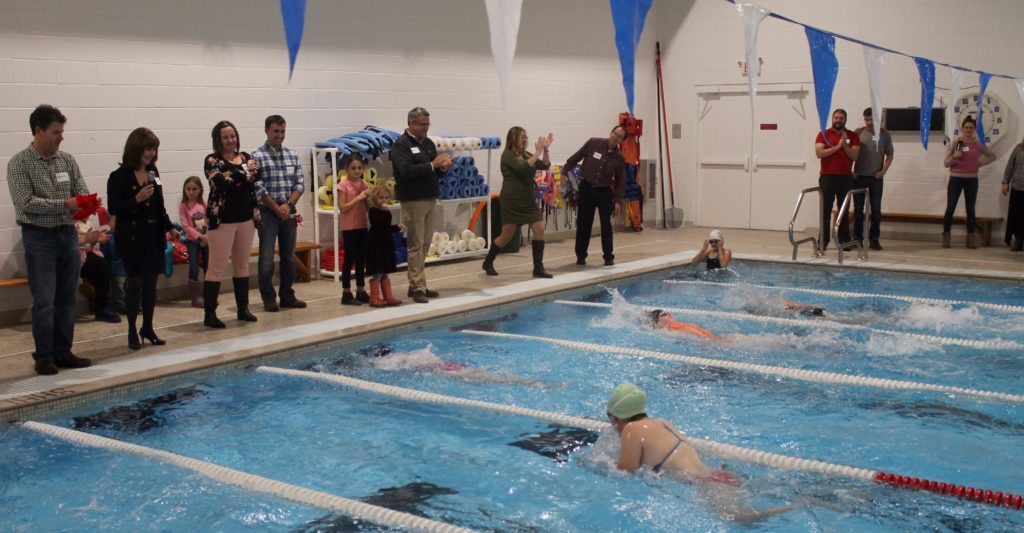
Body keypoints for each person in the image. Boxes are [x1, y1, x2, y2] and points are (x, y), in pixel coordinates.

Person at [606, 384, 797, 524]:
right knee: (775, 490)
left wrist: (599, 464)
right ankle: (805, 497)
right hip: (719, 475)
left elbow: (625, 472)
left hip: (709, 485)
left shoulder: (631, 430)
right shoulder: (663, 422)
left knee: (743, 520)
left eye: (610, 417)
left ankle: (799, 506)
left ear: (616, 418)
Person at [7, 104, 94, 375]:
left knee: (67, 298)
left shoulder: (66, 161)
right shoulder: (19, 163)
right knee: (45, 300)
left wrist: (85, 204)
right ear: (38, 131)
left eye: (62, 132)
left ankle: (63, 351)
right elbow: (26, 204)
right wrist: (67, 204)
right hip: (39, 238)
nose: (61, 137)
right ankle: (44, 356)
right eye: (56, 132)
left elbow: (81, 190)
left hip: (67, 236)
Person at [107, 127, 178, 349]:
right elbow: (114, 208)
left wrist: (169, 227)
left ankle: (147, 327)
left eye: (154, 150)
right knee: (134, 283)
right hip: (132, 237)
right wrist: (136, 198)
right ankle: (131, 329)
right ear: (136, 148)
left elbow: (160, 206)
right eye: (148, 149)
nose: (150, 154)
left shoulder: (153, 173)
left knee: (150, 284)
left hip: (153, 236)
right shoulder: (118, 177)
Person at [390, 107, 453, 303]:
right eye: (423, 124)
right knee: (415, 243)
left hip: (429, 197)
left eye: (428, 124)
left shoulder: (428, 144)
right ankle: (417, 286)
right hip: (413, 199)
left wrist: (442, 168)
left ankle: (418, 284)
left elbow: (432, 171)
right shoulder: (401, 145)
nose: (426, 128)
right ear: (411, 124)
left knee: (425, 243)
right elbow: (406, 171)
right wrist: (433, 164)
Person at [203, 120, 260, 328]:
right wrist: (245, 173)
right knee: (216, 267)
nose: (230, 140)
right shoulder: (211, 160)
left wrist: (235, 174)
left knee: (242, 266)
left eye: (233, 136)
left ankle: (243, 309)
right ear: (218, 140)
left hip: (246, 219)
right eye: (226, 137)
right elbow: (218, 182)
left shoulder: (245, 157)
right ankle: (210, 315)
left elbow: (257, 174)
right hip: (222, 222)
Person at [481, 127, 555, 278]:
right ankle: (488, 262)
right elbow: (522, 167)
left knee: (539, 228)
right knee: (506, 236)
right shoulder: (507, 155)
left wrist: (545, 150)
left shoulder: (526, 154)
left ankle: (538, 268)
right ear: (512, 139)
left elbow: (545, 166)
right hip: (512, 201)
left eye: (526, 137)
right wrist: (537, 152)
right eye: (521, 137)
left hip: (528, 201)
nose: (525, 140)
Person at [251, 115, 307, 312]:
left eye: (282, 131)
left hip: (288, 211)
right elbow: (258, 187)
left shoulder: (292, 155)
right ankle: (268, 298)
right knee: (266, 258)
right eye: (276, 131)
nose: (279, 135)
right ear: (266, 130)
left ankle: (287, 295)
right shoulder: (256, 156)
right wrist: (277, 208)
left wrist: (289, 205)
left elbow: (300, 183)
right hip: (267, 212)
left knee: (289, 257)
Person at [564, 125, 627, 266]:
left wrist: (617, 200)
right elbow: (576, 157)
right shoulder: (593, 143)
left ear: (621, 140)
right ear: (611, 132)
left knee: (606, 225)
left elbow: (621, 181)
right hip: (587, 188)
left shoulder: (619, 158)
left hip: (604, 192)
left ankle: (608, 257)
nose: (615, 137)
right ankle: (581, 255)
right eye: (614, 133)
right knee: (584, 223)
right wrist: (564, 172)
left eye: (619, 136)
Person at [942, 116, 997, 249]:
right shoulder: (956, 142)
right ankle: (946, 237)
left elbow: (992, 156)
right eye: (966, 127)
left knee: (971, 210)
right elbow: (946, 164)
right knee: (950, 208)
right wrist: (954, 158)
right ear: (962, 129)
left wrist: (979, 163)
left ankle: (971, 238)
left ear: (974, 130)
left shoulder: (978, 144)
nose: (968, 130)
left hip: (972, 179)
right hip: (956, 178)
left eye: (971, 128)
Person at [814, 109, 861, 251]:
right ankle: (823, 242)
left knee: (844, 210)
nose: (838, 120)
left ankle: (844, 241)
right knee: (825, 210)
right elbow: (819, 153)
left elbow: (855, 156)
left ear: (845, 120)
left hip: (845, 178)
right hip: (827, 177)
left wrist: (845, 145)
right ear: (832, 119)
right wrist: (837, 147)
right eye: (836, 117)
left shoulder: (853, 136)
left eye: (841, 118)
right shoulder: (824, 134)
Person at [852, 108, 894, 250]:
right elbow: (849, 152)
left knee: (876, 210)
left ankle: (874, 238)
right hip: (859, 177)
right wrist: (851, 171)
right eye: (866, 119)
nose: (869, 122)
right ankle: (857, 237)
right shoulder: (858, 132)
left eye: (871, 119)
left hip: (876, 178)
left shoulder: (885, 134)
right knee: (858, 209)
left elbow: (890, 155)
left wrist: (883, 172)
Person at [75, 208, 120, 323]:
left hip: (88, 253)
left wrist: (98, 239)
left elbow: (91, 243)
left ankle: (102, 307)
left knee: (103, 268)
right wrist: (87, 239)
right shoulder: (73, 223)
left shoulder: (89, 222)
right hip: (74, 255)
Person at [337, 155, 371, 305]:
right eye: (353, 168)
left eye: (359, 168)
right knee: (349, 258)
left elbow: (369, 206)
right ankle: (346, 292)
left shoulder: (364, 184)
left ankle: (361, 289)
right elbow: (343, 208)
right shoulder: (343, 184)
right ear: (347, 170)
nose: (357, 171)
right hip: (349, 227)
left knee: (361, 259)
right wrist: (358, 198)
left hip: (362, 225)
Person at [365, 183, 404, 307]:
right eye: (381, 198)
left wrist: (397, 227)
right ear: (375, 199)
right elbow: (378, 225)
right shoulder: (373, 211)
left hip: (386, 243)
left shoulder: (385, 211)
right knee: (378, 270)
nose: (384, 200)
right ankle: (374, 297)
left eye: (386, 197)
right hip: (376, 244)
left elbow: (386, 227)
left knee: (385, 270)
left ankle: (388, 296)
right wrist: (385, 211)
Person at [179, 176, 209, 308]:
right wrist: (199, 237)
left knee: (209, 266)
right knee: (194, 267)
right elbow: (186, 227)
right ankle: (195, 297)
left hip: (206, 240)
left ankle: (209, 294)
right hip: (193, 241)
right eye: (188, 189)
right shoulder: (183, 206)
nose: (191, 192)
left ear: (200, 189)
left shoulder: (203, 204)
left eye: (194, 189)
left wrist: (207, 235)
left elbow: (209, 221)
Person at [1003, 134, 1024, 251]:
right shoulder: (1019, 148)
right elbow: (1010, 166)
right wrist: (1005, 182)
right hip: (1018, 187)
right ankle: (1018, 240)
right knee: (1017, 216)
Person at [644, 309, 721, 341]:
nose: (669, 314)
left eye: (668, 313)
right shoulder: (673, 327)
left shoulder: (674, 327)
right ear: (658, 322)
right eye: (664, 314)